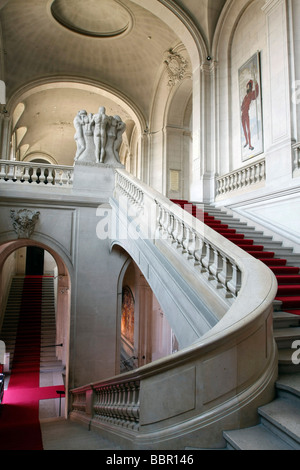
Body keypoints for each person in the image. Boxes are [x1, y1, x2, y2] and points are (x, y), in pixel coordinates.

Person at [241, 79, 259, 151]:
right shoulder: (245, 96)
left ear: (250, 87)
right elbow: (242, 105)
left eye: (248, 86)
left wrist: (256, 84)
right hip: (242, 114)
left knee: (248, 128)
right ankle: (246, 141)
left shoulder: (251, 94)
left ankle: (250, 145)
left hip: (246, 113)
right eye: (247, 86)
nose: (247, 87)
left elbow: (256, 94)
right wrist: (242, 107)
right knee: (244, 128)